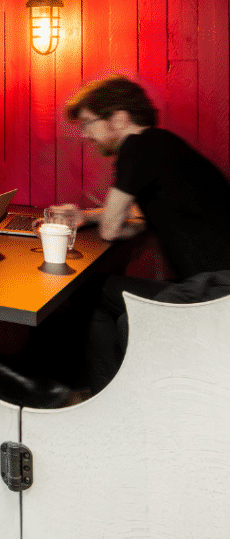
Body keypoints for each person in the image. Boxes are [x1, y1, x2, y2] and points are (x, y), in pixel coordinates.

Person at [65, 75, 230, 390]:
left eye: (89, 123)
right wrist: (86, 216)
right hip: (209, 285)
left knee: (137, 323)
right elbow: (137, 217)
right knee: (94, 291)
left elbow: (114, 228)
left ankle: (137, 410)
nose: (86, 135)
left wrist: (100, 219)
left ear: (119, 119)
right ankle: (104, 398)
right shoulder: (162, 146)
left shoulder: (138, 146)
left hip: (216, 290)